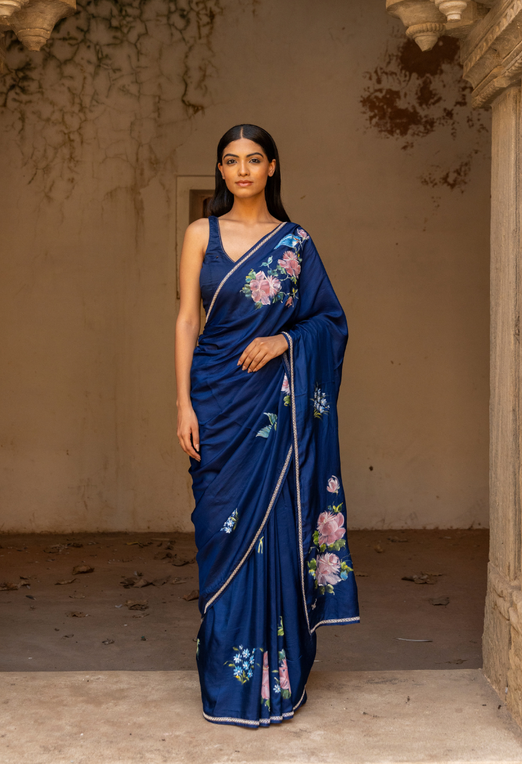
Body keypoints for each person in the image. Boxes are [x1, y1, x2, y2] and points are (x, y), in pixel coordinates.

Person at [175, 123, 359, 727]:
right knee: (220, 530)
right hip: (217, 401)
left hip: (274, 407)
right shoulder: (200, 233)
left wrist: (284, 340)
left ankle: (278, 679)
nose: (243, 170)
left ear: (273, 167)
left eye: (254, 159)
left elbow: (329, 322)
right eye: (231, 161)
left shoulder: (295, 243)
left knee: (275, 529)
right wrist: (183, 403)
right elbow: (185, 320)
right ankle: (224, 681)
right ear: (221, 171)